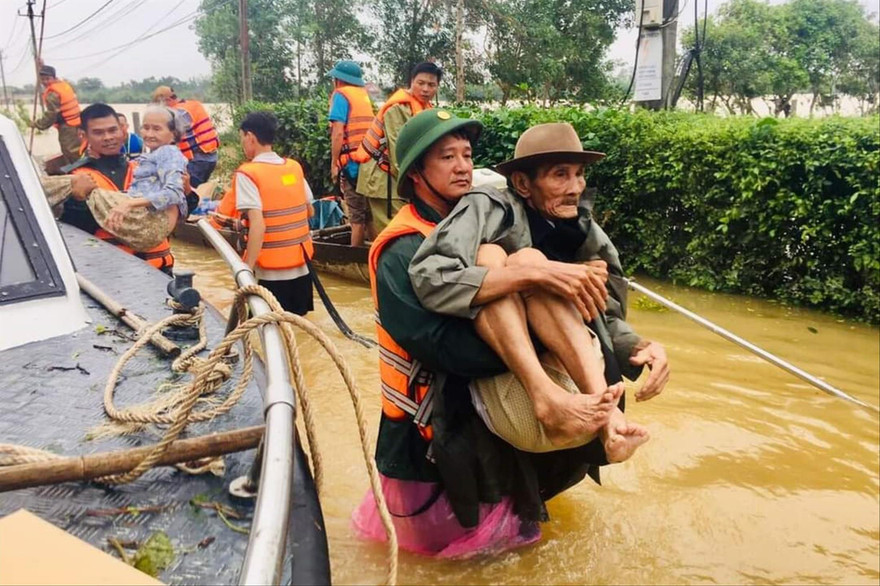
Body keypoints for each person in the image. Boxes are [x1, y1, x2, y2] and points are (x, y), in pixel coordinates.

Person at [351, 110, 619, 559]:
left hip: (487, 420)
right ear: (416, 173)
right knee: (444, 560)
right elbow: (442, 348)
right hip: (428, 433)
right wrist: (540, 342)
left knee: (510, 549)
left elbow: (560, 298)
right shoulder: (402, 248)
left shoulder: (487, 223)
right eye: (446, 157)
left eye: (467, 155)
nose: (462, 166)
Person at [409, 122, 667, 458]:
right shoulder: (488, 206)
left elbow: (605, 311)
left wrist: (639, 347)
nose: (575, 187)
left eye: (579, 174)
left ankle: (610, 422)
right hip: (507, 386)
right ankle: (547, 399)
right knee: (518, 258)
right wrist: (536, 273)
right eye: (560, 174)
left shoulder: (583, 228)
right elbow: (430, 275)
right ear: (522, 184)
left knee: (534, 263)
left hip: (576, 384)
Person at [208, 111, 315, 316]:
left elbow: (259, 225)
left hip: (271, 275)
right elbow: (309, 211)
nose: (242, 145)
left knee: (266, 330)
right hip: (302, 269)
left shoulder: (248, 173)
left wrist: (245, 270)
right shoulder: (293, 167)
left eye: (241, 139)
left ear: (250, 137)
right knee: (298, 329)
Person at [58, 103, 176, 274]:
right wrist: (78, 199)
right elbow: (73, 232)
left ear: (122, 130)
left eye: (112, 130)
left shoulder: (148, 167)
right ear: (83, 135)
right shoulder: (75, 177)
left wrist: (186, 192)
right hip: (113, 274)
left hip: (160, 270)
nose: (108, 137)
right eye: (98, 132)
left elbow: (179, 215)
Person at [352, 61, 441, 233]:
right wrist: (421, 186)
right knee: (393, 233)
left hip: (399, 180)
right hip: (382, 180)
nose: (425, 89)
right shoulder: (397, 109)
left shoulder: (426, 109)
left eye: (431, 85)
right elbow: (397, 154)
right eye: (420, 83)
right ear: (411, 82)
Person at [327, 60, 375, 247]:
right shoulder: (363, 96)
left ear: (338, 80)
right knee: (368, 213)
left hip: (351, 165)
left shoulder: (340, 95)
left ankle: (354, 259)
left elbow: (338, 132)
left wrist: (334, 164)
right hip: (369, 162)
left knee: (356, 218)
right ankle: (376, 251)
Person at [151, 85, 220, 189]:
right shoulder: (193, 105)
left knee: (185, 191)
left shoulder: (179, 112)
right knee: (195, 190)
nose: (161, 109)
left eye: (160, 105)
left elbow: (170, 137)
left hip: (197, 160)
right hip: (209, 157)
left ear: (168, 100)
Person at [31, 65, 82, 165]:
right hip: (78, 122)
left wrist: (38, 124)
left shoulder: (52, 94)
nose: (45, 82)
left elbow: (51, 115)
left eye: (48, 79)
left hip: (67, 125)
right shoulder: (63, 85)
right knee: (78, 147)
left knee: (70, 150)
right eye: (42, 79)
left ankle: (78, 170)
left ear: (53, 78)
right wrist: (41, 63)